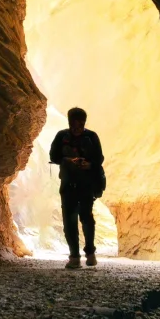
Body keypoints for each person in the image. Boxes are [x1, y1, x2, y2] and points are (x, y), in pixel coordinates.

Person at [49, 107, 105, 269]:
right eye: (74, 125)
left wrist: (89, 165)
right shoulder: (62, 136)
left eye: (80, 125)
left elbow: (99, 158)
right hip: (68, 184)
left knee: (86, 218)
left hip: (86, 184)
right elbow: (53, 156)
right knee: (69, 221)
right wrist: (68, 161)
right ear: (69, 122)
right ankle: (74, 256)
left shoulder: (91, 137)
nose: (77, 128)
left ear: (84, 123)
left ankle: (90, 253)